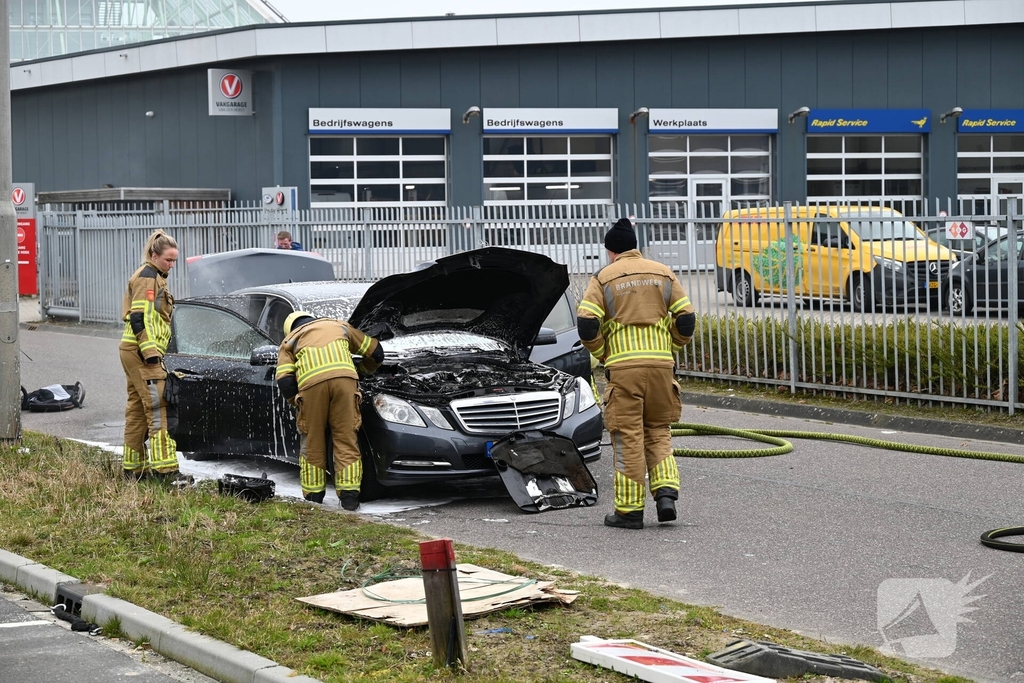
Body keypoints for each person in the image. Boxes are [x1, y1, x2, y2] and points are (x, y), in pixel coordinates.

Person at [577, 218, 696, 529]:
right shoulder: (663, 273)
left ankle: (629, 512)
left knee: (627, 436)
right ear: (635, 247)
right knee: (658, 430)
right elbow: (686, 319)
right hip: (661, 367)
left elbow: (587, 323)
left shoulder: (603, 278)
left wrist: (603, 352)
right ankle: (666, 495)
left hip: (624, 369)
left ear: (611, 251)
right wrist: (671, 347)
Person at [275, 311, 384, 510]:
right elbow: (376, 352)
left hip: (311, 387)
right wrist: (363, 371)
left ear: (290, 329)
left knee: (312, 440)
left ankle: (314, 497)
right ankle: (350, 498)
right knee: (346, 438)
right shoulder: (340, 326)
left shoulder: (289, 341)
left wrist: (298, 403)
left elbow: (285, 381)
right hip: (345, 383)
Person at [119, 230, 187, 483]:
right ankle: (166, 472)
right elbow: (140, 317)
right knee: (159, 409)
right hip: (142, 353)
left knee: (138, 410)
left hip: (134, 351)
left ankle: (134, 470)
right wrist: (150, 354)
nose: (171, 265)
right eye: (168, 260)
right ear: (153, 255)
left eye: (174, 261)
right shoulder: (148, 277)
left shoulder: (155, 276)